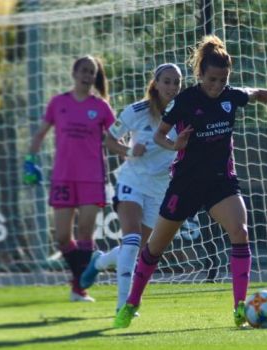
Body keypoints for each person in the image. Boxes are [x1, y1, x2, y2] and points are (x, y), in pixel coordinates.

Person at [113, 35, 267, 328]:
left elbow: (258, 93)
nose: (217, 86)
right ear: (200, 75)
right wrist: (175, 144)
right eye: (212, 79)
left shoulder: (231, 96)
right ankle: (132, 302)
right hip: (185, 183)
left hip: (221, 182)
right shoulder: (185, 101)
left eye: (222, 79)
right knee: (154, 247)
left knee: (240, 231)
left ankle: (240, 309)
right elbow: (159, 136)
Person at [79, 63, 189, 312]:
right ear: (156, 83)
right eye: (167, 81)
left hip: (160, 189)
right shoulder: (137, 110)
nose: (172, 87)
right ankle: (123, 305)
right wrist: (129, 150)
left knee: (137, 249)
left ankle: (98, 263)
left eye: (177, 82)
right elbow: (107, 138)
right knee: (131, 241)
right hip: (132, 182)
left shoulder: (184, 112)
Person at [23, 55, 116, 302]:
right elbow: (41, 133)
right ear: (74, 73)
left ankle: (78, 289)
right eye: (84, 70)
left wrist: (131, 152)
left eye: (92, 72)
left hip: (92, 179)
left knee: (85, 235)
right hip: (63, 178)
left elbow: (112, 139)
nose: (87, 76)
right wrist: (29, 161)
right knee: (63, 237)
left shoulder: (102, 107)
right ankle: (86, 274)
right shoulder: (58, 103)